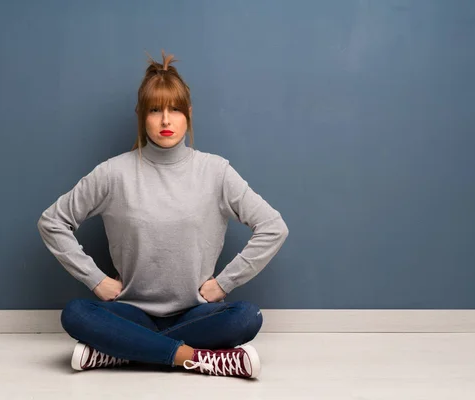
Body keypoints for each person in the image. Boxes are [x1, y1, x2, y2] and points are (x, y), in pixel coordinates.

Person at [36, 50, 289, 379]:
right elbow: (52, 222)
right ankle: (194, 357)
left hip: (197, 314)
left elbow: (273, 227)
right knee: (76, 313)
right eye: (155, 110)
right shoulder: (113, 174)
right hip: (129, 312)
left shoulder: (215, 172)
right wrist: (95, 280)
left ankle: (122, 352)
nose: (166, 120)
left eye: (175, 110)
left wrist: (224, 284)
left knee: (246, 317)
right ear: (141, 116)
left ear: (189, 115)